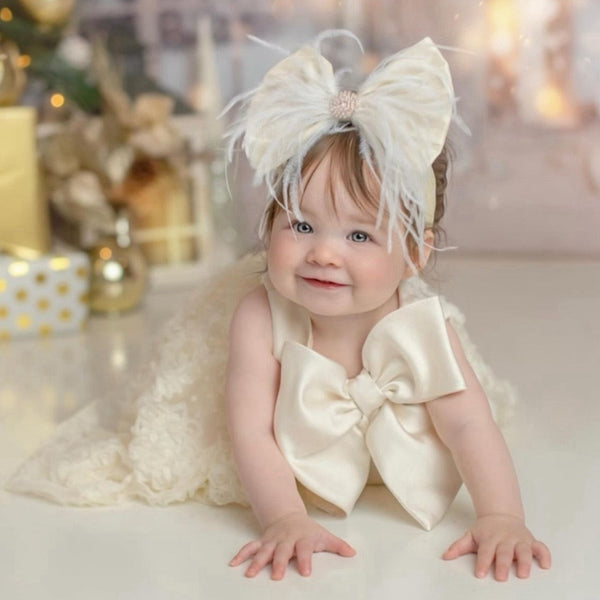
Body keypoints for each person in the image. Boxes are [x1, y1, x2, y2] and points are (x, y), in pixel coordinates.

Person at [7, 31, 551, 582]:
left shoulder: (420, 326)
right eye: (301, 224)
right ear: (269, 224)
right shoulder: (259, 316)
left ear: (414, 252)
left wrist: (502, 515)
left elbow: (465, 424)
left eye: (359, 237)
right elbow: (250, 429)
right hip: (283, 472)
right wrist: (284, 517)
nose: (323, 253)